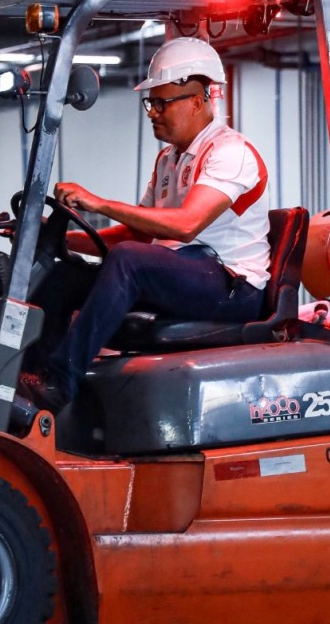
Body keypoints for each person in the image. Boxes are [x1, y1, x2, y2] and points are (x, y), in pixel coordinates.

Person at [19, 36, 270, 414]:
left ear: (199, 100)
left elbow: (186, 225)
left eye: (161, 103)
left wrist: (100, 203)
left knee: (129, 261)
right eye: (150, 103)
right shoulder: (169, 160)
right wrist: (63, 240)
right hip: (184, 271)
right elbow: (136, 234)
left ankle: (59, 382)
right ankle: (27, 379)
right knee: (62, 278)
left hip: (232, 285)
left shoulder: (229, 152)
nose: (152, 112)